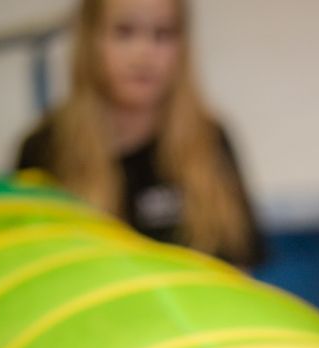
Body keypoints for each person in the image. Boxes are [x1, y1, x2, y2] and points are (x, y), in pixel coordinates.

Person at [15, 0, 264, 267]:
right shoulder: (45, 150)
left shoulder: (211, 142)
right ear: (90, 39)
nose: (144, 54)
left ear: (183, 46)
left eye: (163, 33)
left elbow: (242, 270)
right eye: (124, 32)